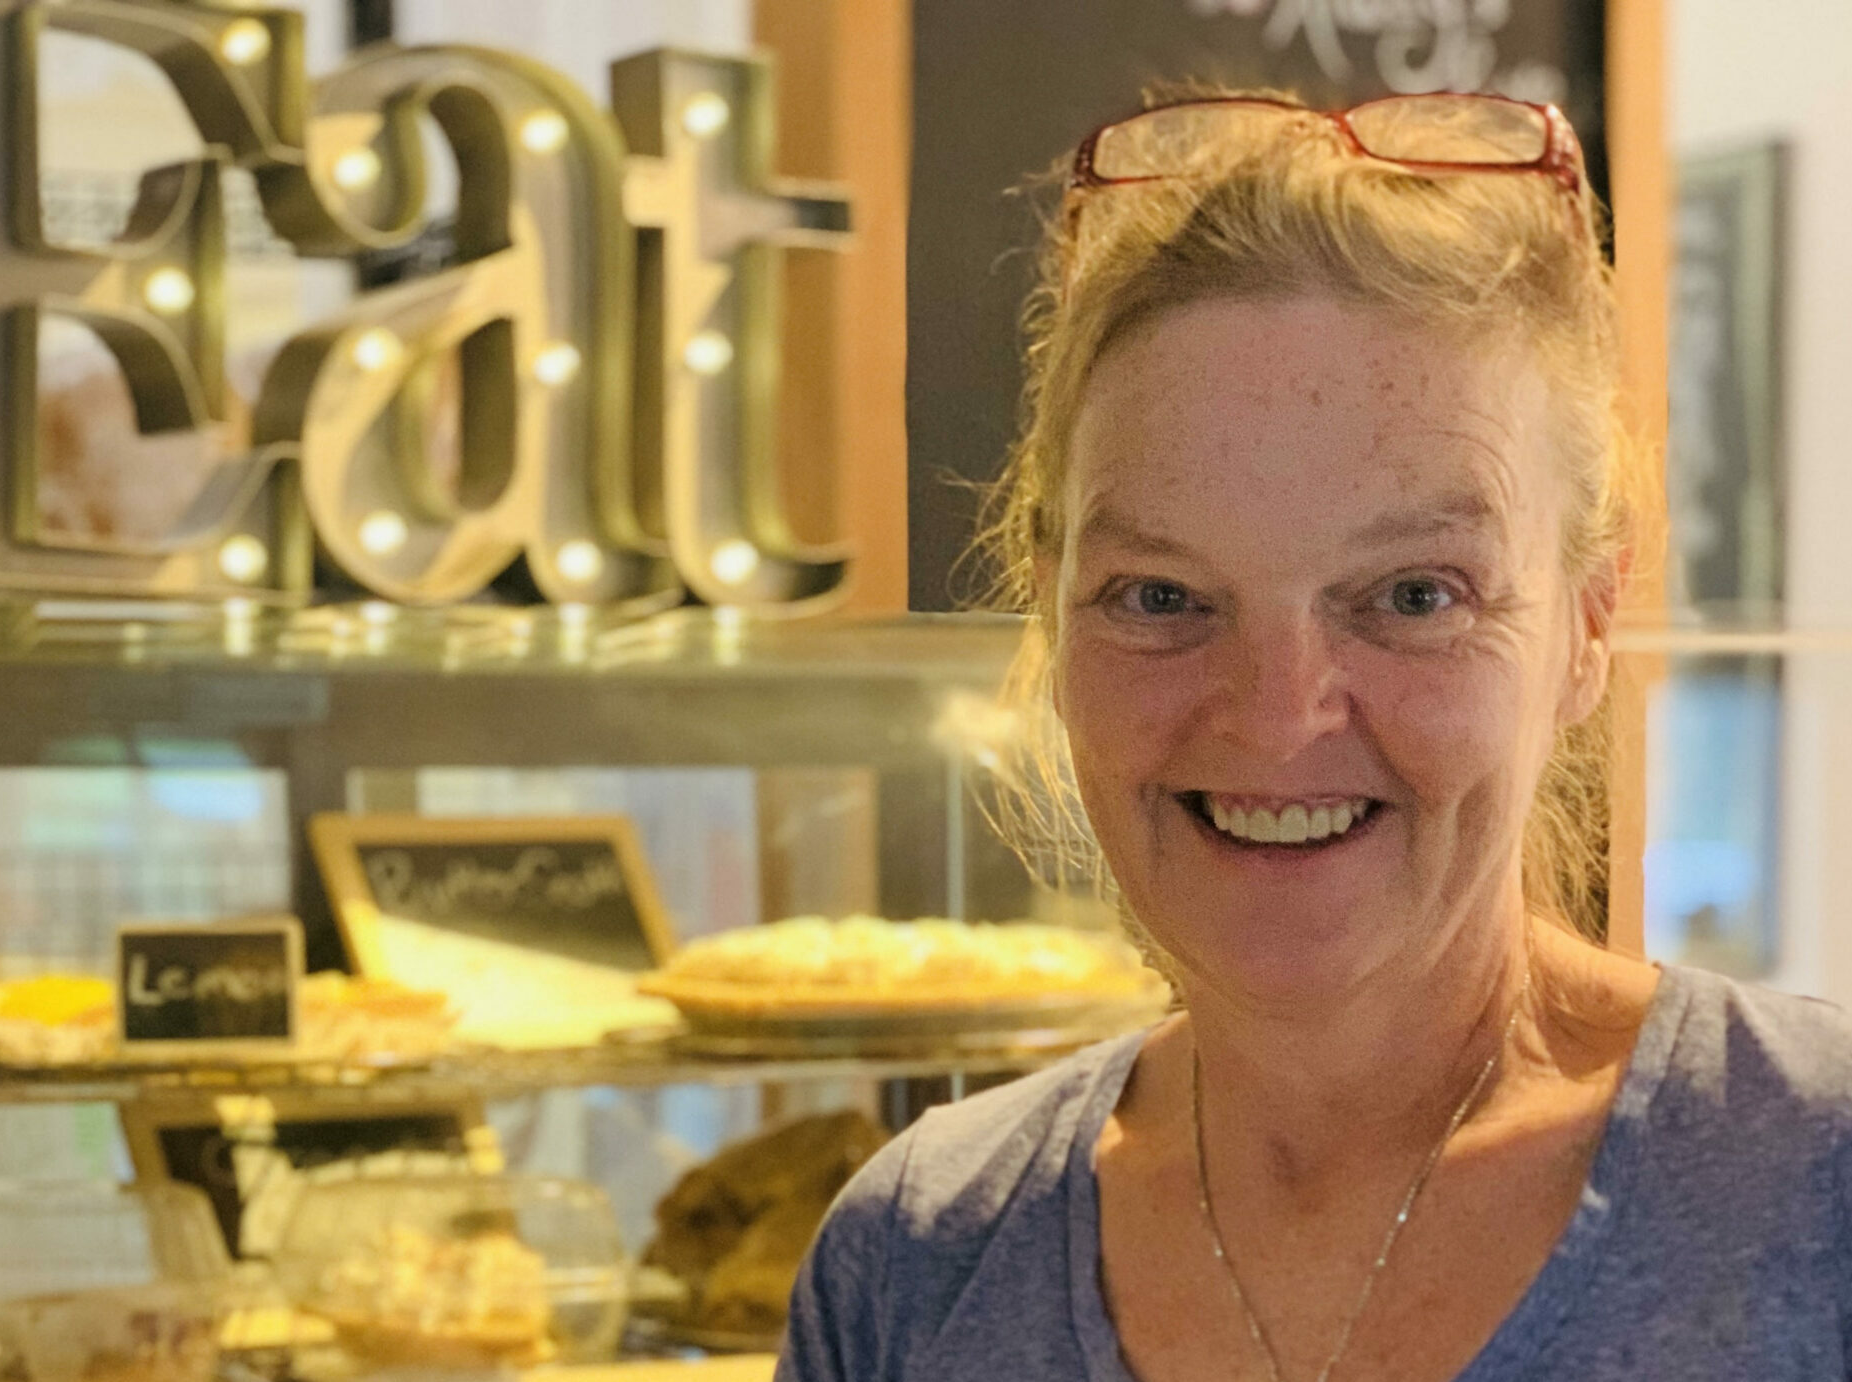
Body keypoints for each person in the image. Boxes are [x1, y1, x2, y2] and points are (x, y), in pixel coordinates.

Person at [777, 91, 1852, 1382]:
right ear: (1050, 617)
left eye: (1413, 596)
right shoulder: (913, 1267)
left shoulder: (1815, 1188)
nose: (1278, 717)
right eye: (1161, 597)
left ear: (1585, 625)